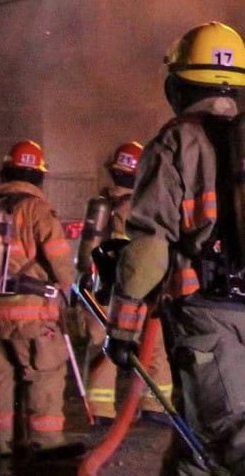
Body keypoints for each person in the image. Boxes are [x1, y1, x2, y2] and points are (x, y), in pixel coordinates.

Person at [103, 22, 245, 475]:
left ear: (177, 84)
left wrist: (121, 328)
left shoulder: (173, 144)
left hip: (206, 324)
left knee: (242, 438)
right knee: (197, 447)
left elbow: (149, 247)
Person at [0, 140, 81, 459]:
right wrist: (67, 287)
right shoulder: (37, 209)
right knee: (46, 370)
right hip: (32, 312)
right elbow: (58, 256)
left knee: (2, 374)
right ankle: (46, 441)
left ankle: (3, 441)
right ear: (38, 176)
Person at [76, 141, 172, 428]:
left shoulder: (101, 205)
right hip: (138, 288)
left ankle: (99, 408)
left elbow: (85, 254)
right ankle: (155, 404)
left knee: (101, 345)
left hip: (101, 289)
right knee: (153, 346)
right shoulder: (145, 205)